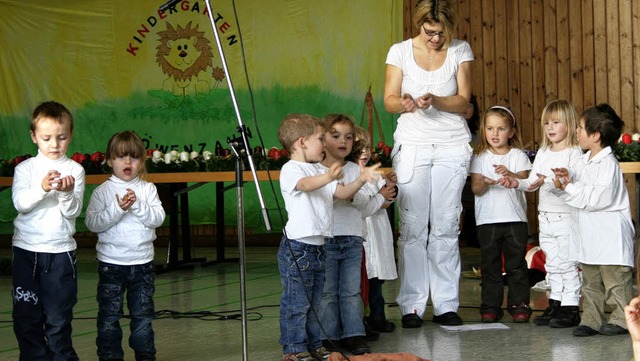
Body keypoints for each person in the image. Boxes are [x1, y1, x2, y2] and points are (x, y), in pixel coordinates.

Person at [383, 0, 474, 327]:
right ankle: (412, 306)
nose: (435, 39)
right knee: (412, 227)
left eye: (441, 33)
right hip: (413, 145)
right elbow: (389, 99)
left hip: (452, 145)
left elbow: (463, 99)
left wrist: (435, 99)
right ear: (419, 25)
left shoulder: (461, 50)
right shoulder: (400, 52)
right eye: (429, 32)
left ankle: (447, 304)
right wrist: (404, 103)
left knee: (447, 224)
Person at [277, 114, 381, 361]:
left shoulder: (318, 170)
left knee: (314, 303)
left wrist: (361, 179)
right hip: (298, 248)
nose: (324, 145)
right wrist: (328, 177)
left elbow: (343, 193)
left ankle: (315, 344)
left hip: (318, 247)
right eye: (320, 139)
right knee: (297, 303)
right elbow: (304, 185)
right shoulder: (292, 169)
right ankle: (293, 348)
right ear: (302, 142)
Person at [551, 103, 635, 337]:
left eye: (580, 128)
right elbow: (574, 191)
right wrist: (564, 181)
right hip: (588, 235)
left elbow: (598, 198)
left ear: (596, 135)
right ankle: (591, 318)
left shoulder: (608, 164)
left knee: (615, 280)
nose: (576, 132)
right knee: (590, 280)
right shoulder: (582, 160)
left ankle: (621, 318)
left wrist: (569, 186)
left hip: (610, 235)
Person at [11, 101, 85, 360]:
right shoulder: (25, 169)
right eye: (46, 138)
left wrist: (65, 193)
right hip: (26, 252)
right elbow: (20, 203)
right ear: (34, 136)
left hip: (60, 253)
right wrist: (42, 188)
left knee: (58, 318)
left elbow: (73, 211)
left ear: (70, 135)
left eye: (61, 137)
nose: (54, 144)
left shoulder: (75, 170)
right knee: (26, 316)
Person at [85, 130, 166, 361]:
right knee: (109, 317)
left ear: (142, 161)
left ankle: (145, 355)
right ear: (110, 160)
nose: (127, 162)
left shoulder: (147, 189)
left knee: (143, 317)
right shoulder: (103, 191)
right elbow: (93, 223)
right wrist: (118, 208)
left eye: (134, 157)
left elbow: (157, 219)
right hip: (111, 265)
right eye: (121, 157)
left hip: (142, 265)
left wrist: (137, 204)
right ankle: (110, 357)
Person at [501, 100, 583, 328]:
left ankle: (571, 306)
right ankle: (556, 302)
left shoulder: (575, 152)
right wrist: (514, 182)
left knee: (567, 263)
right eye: (547, 123)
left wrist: (564, 176)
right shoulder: (545, 152)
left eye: (556, 122)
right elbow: (532, 183)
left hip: (566, 217)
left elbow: (574, 178)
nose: (550, 127)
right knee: (552, 263)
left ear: (569, 123)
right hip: (545, 216)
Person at [319, 115, 380, 355]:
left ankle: (354, 333)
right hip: (326, 238)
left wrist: (353, 193)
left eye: (348, 136)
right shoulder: (317, 169)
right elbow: (326, 197)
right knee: (328, 291)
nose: (343, 141)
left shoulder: (355, 169)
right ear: (323, 139)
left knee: (351, 290)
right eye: (335, 136)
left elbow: (363, 201)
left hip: (353, 238)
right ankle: (330, 335)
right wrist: (345, 191)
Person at [470, 106, 532, 323]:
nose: (495, 134)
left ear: (511, 132)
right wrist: (486, 183)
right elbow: (476, 189)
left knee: (516, 265)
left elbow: (525, 181)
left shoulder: (518, 155)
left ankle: (519, 305)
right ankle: (490, 306)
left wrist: (510, 174)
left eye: (501, 129)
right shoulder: (479, 157)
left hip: (515, 221)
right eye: (490, 128)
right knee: (490, 266)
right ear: (484, 131)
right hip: (488, 221)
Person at [347, 127, 398, 334]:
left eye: (368, 147)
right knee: (363, 281)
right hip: (363, 232)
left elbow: (386, 202)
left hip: (378, 232)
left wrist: (389, 186)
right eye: (360, 148)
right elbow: (358, 204)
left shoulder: (376, 174)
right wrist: (380, 195)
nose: (365, 152)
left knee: (376, 281)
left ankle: (378, 317)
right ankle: (361, 321)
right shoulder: (348, 175)